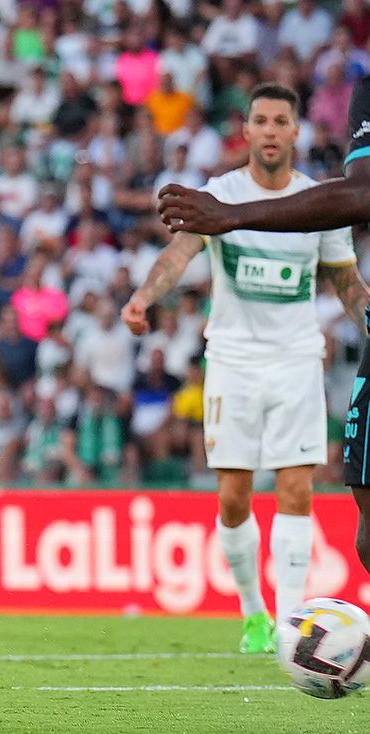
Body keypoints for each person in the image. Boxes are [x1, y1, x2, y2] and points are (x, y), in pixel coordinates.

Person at [122, 83, 364, 655]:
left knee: (297, 487)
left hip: (298, 358)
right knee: (233, 496)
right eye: (262, 121)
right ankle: (252, 611)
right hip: (232, 359)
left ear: (296, 131)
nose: (273, 131)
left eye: (282, 121)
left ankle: (290, 625)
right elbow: (176, 255)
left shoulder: (319, 203)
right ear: (248, 130)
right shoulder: (218, 195)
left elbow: (347, 283)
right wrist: (143, 299)